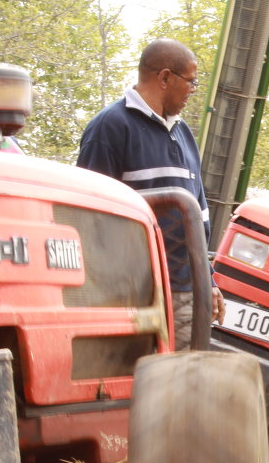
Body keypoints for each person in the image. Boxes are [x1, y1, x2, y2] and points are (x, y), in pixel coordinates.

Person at [76, 38, 224, 350]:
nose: (193, 90)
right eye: (191, 81)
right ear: (165, 77)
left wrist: (207, 281)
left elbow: (198, 218)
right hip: (131, 295)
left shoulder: (183, 134)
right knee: (133, 384)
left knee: (182, 384)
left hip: (185, 293)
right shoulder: (110, 127)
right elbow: (87, 220)